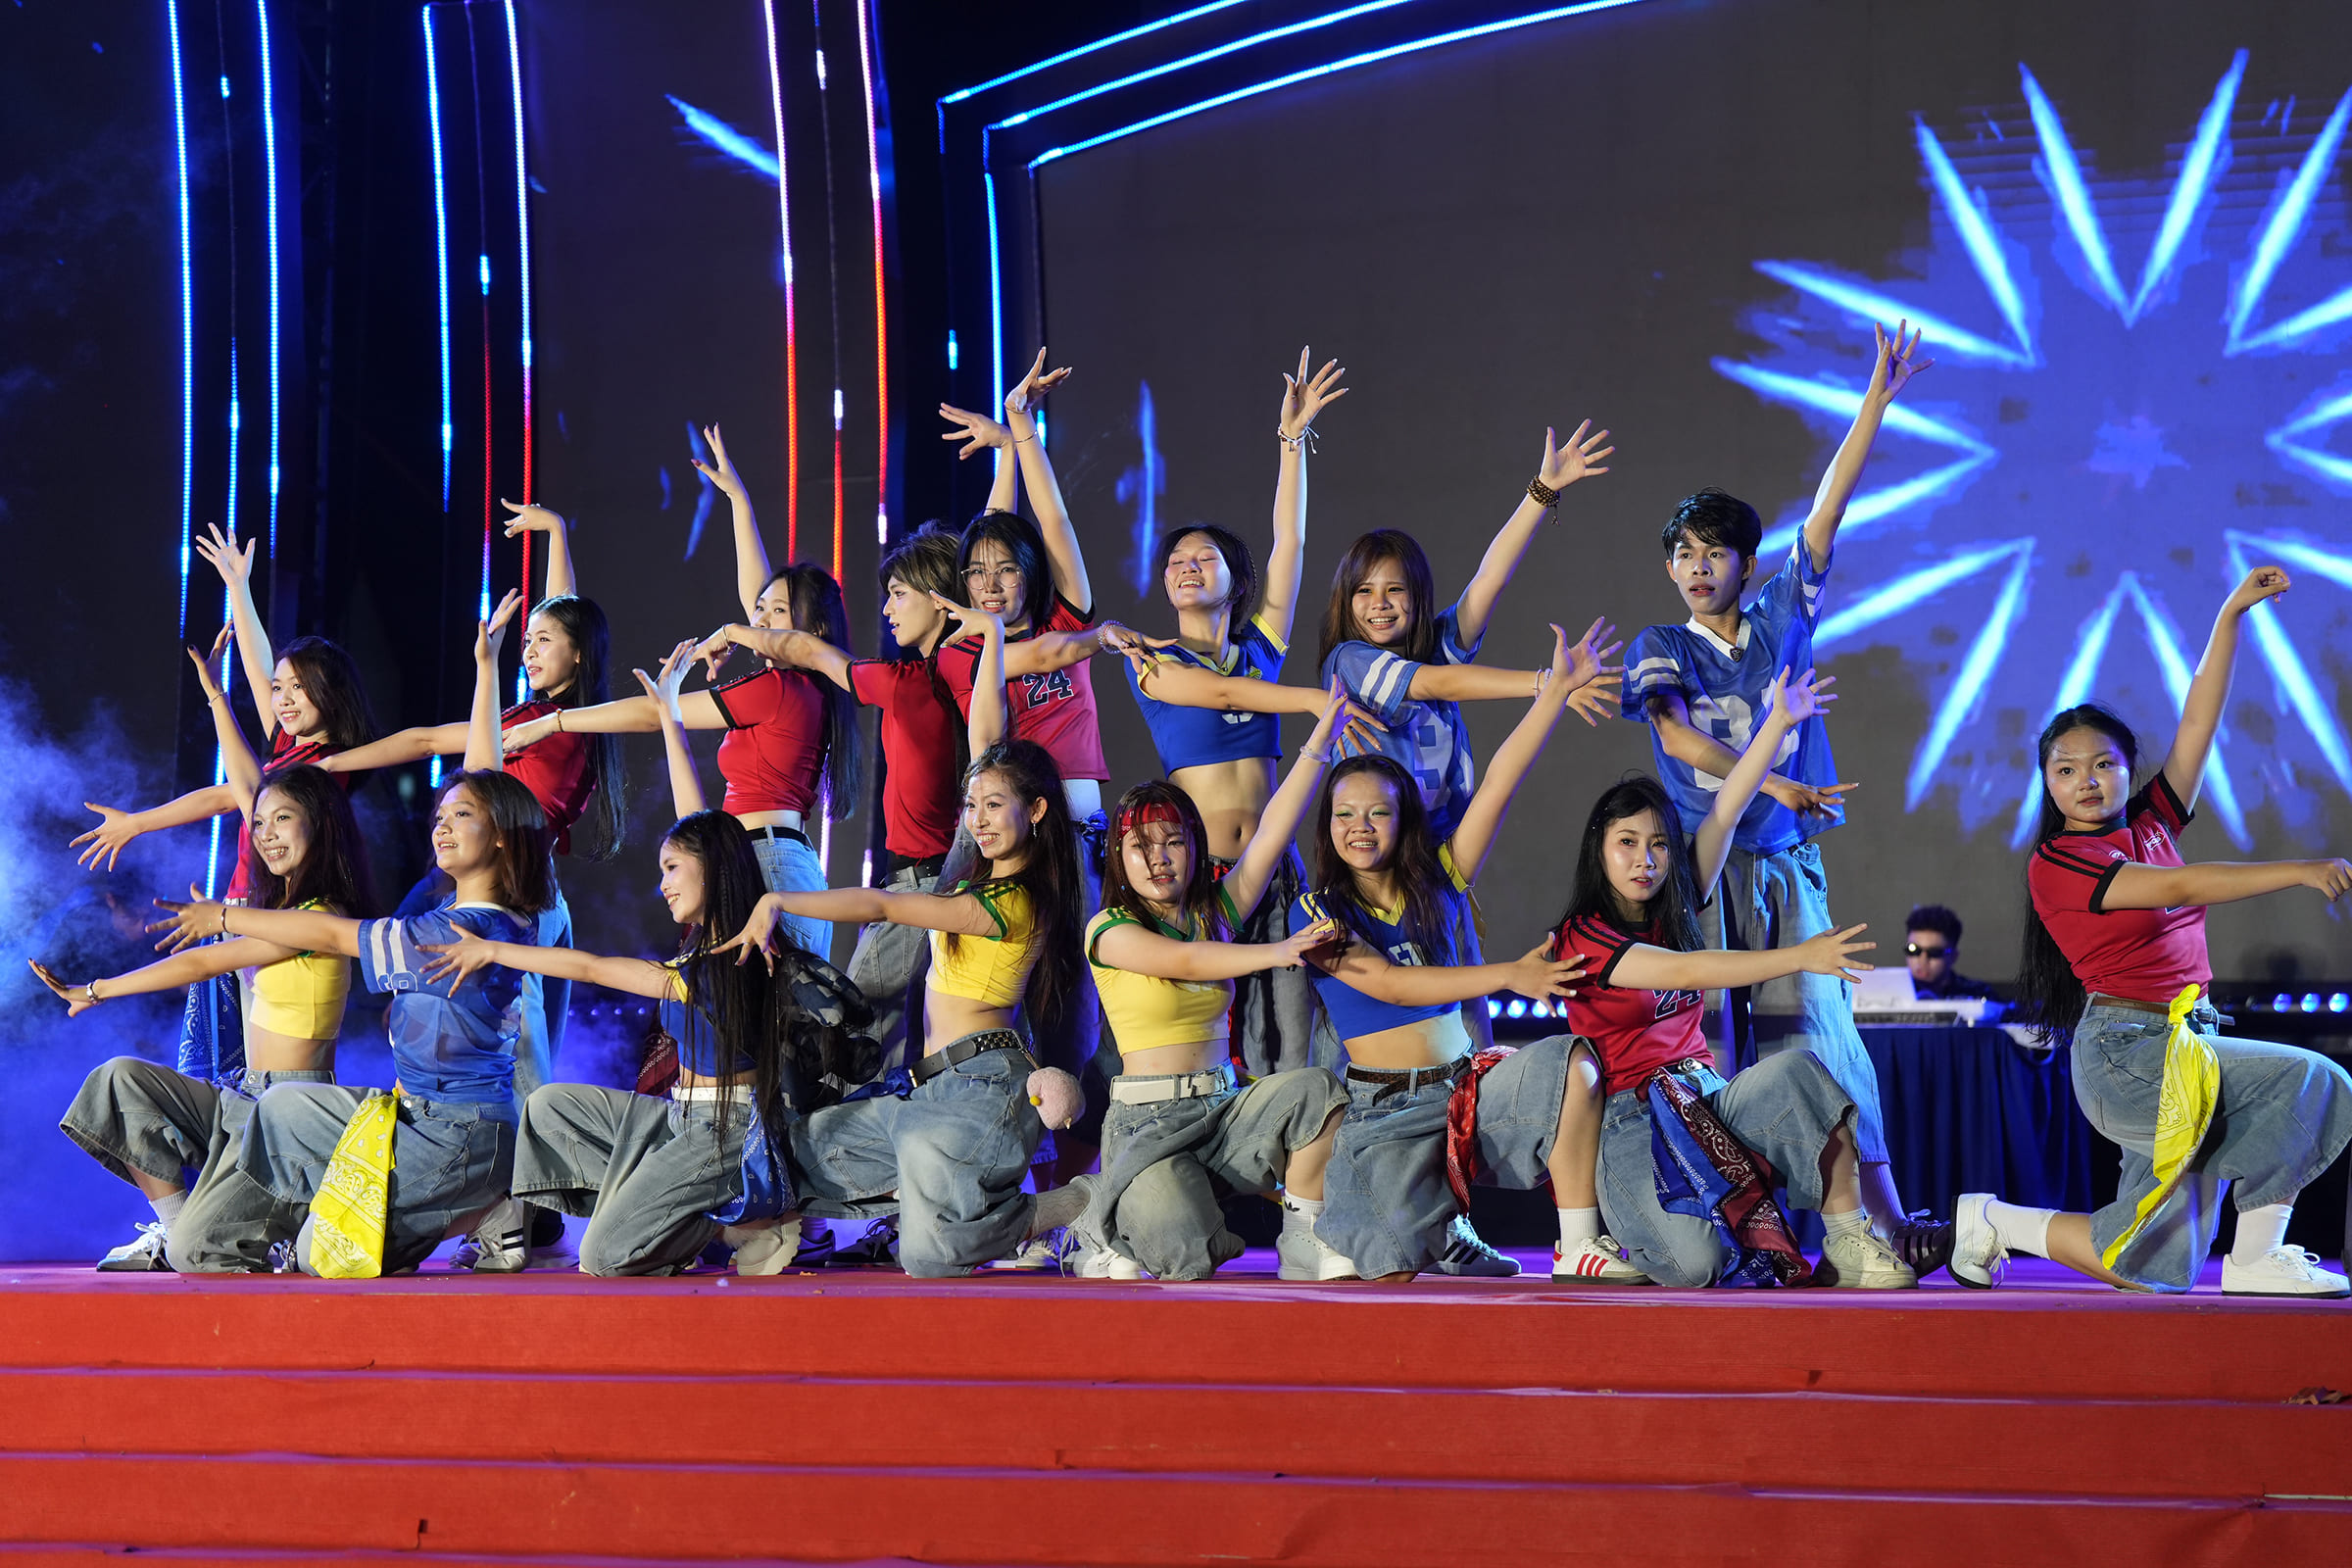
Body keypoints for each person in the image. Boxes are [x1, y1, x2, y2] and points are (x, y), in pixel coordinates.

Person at [1945, 565, 2352, 1298]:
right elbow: (2179, 889)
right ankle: (2258, 1257)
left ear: (2128, 769)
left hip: (2187, 1038)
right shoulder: (2057, 861)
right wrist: (2299, 869)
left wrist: (2231, 615)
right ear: (2048, 783)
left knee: (2149, 1264)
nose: (2087, 780)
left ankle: (1992, 1221)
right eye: (2066, 770)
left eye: (2104, 764)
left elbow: (2199, 720)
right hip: (2129, 1055)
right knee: (2313, 1080)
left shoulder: (2153, 824)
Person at [1622, 320, 1932, 1250]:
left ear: (1746, 564)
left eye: (1715, 552)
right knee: (1707, 1051)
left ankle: (1877, 1222)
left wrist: (1874, 403)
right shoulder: (1660, 645)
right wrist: (1776, 778)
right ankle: (1732, 1231)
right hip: (1704, 870)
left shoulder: (1781, 619)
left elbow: (1828, 512)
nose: (1698, 566)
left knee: (1822, 1037)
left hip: (1786, 868)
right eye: (1684, 552)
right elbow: (1674, 737)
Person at [145, 607, 554, 1274]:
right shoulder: (441, 899)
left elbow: (330, 928)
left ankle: (491, 1204)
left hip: (456, 1133)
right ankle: (308, 1216)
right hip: (411, 1115)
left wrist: (226, 918)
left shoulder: (456, 925)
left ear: (502, 835)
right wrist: (485, 668)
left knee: (318, 1254)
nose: (442, 825)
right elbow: (480, 780)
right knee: (280, 1110)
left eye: (460, 818)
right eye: (440, 816)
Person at [1292, 622, 1635, 1283]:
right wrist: (1510, 974)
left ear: (1404, 820)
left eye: (1377, 813)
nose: (1359, 828)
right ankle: (1437, 1223)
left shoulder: (1439, 881)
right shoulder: (1315, 911)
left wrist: (1553, 693)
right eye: (1344, 815)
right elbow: (1390, 985)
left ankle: (1577, 1244)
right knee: (1388, 1267)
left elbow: (1500, 779)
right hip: (1387, 1112)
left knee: (1576, 1064)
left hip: (1465, 1090)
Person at [1554, 668, 1920, 1287]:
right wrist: (1799, 956)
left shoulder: (1676, 903)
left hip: (1703, 1097)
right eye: (1627, 843)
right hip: (1631, 1121)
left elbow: (1726, 809)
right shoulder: (1583, 935)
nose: (1645, 860)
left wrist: (1777, 721)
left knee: (1803, 1072)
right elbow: (1687, 969)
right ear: (1600, 849)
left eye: (1659, 844)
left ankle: (1847, 1240)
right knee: (1701, 1265)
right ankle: (1622, 1224)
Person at [419, 808, 873, 1275]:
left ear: (712, 868)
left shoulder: (728, 966)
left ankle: (735, 1223)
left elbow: (592, 968)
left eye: (672, 868)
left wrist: (492, 950)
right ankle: (698, 1221)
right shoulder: (702, 956)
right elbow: (591, 967)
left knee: (602, 1256)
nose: (663, 885)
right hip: (683, 1117)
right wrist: (490, 950)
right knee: (549, 1108)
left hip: (725, 1132)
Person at [721, 738, 1091, 1277]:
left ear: (1036, 810)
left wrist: (777, 900)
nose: (978, 820)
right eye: (971, 805)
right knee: (796, 1148)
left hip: (981, 1084)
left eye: (994, 805)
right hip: (929, 1085)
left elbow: (884, 904)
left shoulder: (1015, 901)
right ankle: (930, 1203)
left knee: (927, 1257)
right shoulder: (980, 885)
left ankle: (1072, 1203)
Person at [1089, 349, 1354, 1079]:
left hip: (1276, 867)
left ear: (1237, 582)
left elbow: (1291, 543)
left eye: (1203, 558)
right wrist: (1311, 700)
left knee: (1292, 1035)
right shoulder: (1152, 660)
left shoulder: (1260, 648)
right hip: (1197, 876)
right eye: (1175, 561)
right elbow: (1225, 696)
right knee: (1218, 1031)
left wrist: (1291, 441)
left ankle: (1297, 1148)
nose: (1185, 566)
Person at [318, 502, 623, 1103]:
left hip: (514, 897)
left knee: (519, 1063)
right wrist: (556, 532)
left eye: (542, 643)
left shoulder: (556, 726)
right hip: (520, 891)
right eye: (525, 643)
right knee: (505, 1053)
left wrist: (487, 667)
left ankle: (489, 1148)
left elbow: (476, 779)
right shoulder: (546, 715)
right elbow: (425, 739)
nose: (528, 651)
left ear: (579, 653)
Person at [43, 756, 374, 1273]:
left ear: (321, 822)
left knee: (195, 1254)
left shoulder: (325, 915)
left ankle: (277, 1231)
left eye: (283, 818)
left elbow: (205, 957)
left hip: (293, 1115)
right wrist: (93, 991)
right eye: (258, 823)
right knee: (119, 1081)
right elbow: (200, 962)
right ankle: (178, 1228)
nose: (266, 834)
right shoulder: (277, 915)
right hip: (244, 1099)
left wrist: (219, 916)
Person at [73, 525, 379, 1084]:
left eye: (298, 689)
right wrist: (239, 587)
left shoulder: (327, 767)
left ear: (331, 694)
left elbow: (237, 791)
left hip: (273, 916)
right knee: (219, 1069)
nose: (282, 699)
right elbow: (259, 675)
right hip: (243, 906)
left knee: (235, 1073)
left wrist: (216, 696)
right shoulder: (287, 749)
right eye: (281, 690)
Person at [1074, 686, 1356, 1281]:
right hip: (1148, 1125)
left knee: (1317, 1091)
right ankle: (1101, 1216)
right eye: (1140, 846)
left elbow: (1272, 831)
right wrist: (1277, 951)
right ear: (1119, 858)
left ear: (1194, 849)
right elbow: (1188, 961)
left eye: (1173, 842)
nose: (1159, 858)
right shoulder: (1109, 929)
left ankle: (1303, 1238)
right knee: (1188, 1258)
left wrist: (1319, 743)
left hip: (1223, 1109)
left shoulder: (1213, 914)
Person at [1903, 905, 1995, 1000]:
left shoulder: (1977, 993)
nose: (1922, 961)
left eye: (1934, 952)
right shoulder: (1893, 991)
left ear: (1953, 956)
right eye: (1913, 950)